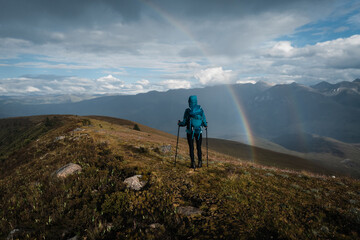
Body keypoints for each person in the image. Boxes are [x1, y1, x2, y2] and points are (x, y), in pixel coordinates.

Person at [178, 95, 207, 169]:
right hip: (199, 131)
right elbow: (203, 120)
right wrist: (205, 125)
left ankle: (193, 163)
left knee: (191, 147)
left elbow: (184, 123)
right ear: (196, 101)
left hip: (190, 132)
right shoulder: (200, 110)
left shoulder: (188, 111)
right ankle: (200, 163)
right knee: (199, 147)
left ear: (189, 102)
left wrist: (179, 123)